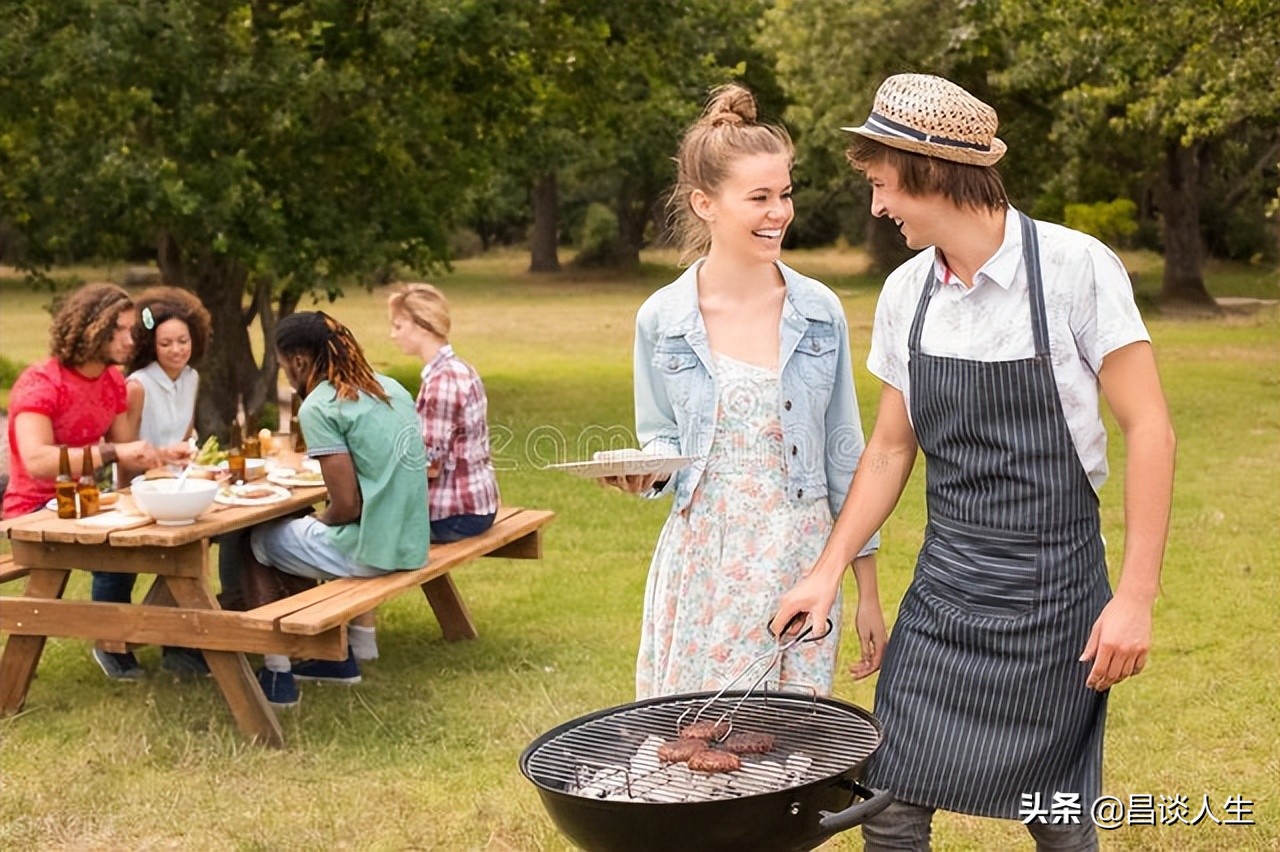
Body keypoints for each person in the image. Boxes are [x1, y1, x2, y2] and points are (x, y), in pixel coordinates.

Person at [771, 74, 1176, 851]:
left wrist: (1135, 598)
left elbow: (1150, 429)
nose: (879, 206)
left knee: (1056, 813)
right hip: (947, 590)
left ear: (929, 172)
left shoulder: (1075, 269)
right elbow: (891, 449)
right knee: (887, 798)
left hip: (1056, 593)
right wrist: (826, 572)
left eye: (885, 185)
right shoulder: (905, 293)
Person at [606, 83, 881, 700]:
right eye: (758, 198)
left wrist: (866, 591)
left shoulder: (818, 312)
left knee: (786, 745)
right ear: (705, 203)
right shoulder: (662, 318)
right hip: (706, 557)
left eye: (784, 194)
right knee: (696, 737)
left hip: (800, 557)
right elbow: (664, 441)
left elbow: (847, 455)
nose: (778, 212)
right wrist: (646, 473)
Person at [238, 311, 430, 707]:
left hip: (371, 550)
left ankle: (278, 675)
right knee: (290, 537)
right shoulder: (391, 388)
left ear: (300, 361)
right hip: (410, 541)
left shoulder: (321, 405)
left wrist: (316, 520)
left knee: (251, 540)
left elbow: (345, 505)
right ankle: (342, 655)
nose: (285, 375)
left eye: (282, 364)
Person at [2, 283, 181, 678]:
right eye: (117, 329)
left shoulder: (113, 382)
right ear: (88, 328)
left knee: (163, 543)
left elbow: (125, 448)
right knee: (118, 554)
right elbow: (37, 461)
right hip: (33, 510)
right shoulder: (41, 383)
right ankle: (111, 643)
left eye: (132, 329)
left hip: (87, 504)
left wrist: (167, 455)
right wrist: (113, 454)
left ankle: (178, 643)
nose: (128, 338)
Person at [92, 286, 215, 677]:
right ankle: (110, 645)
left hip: (178, 491)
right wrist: (159, 465)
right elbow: (125, 453)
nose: (177, 350)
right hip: (137, 492)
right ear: (152, 345)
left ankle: (178, 645)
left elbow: (186, 436)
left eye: (183, 341)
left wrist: (188, 461)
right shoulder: (138, 386)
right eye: (166, 343)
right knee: (119, 565)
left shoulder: (192, 378)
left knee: (191, 556)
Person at [388, 283, 500, 542]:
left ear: (421, 325)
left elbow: (428, 463)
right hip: (476, 506)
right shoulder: (458, 368)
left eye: (398, 326)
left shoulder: (443, 381)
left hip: (453, 515)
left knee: (360, 531)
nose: (393, 335)